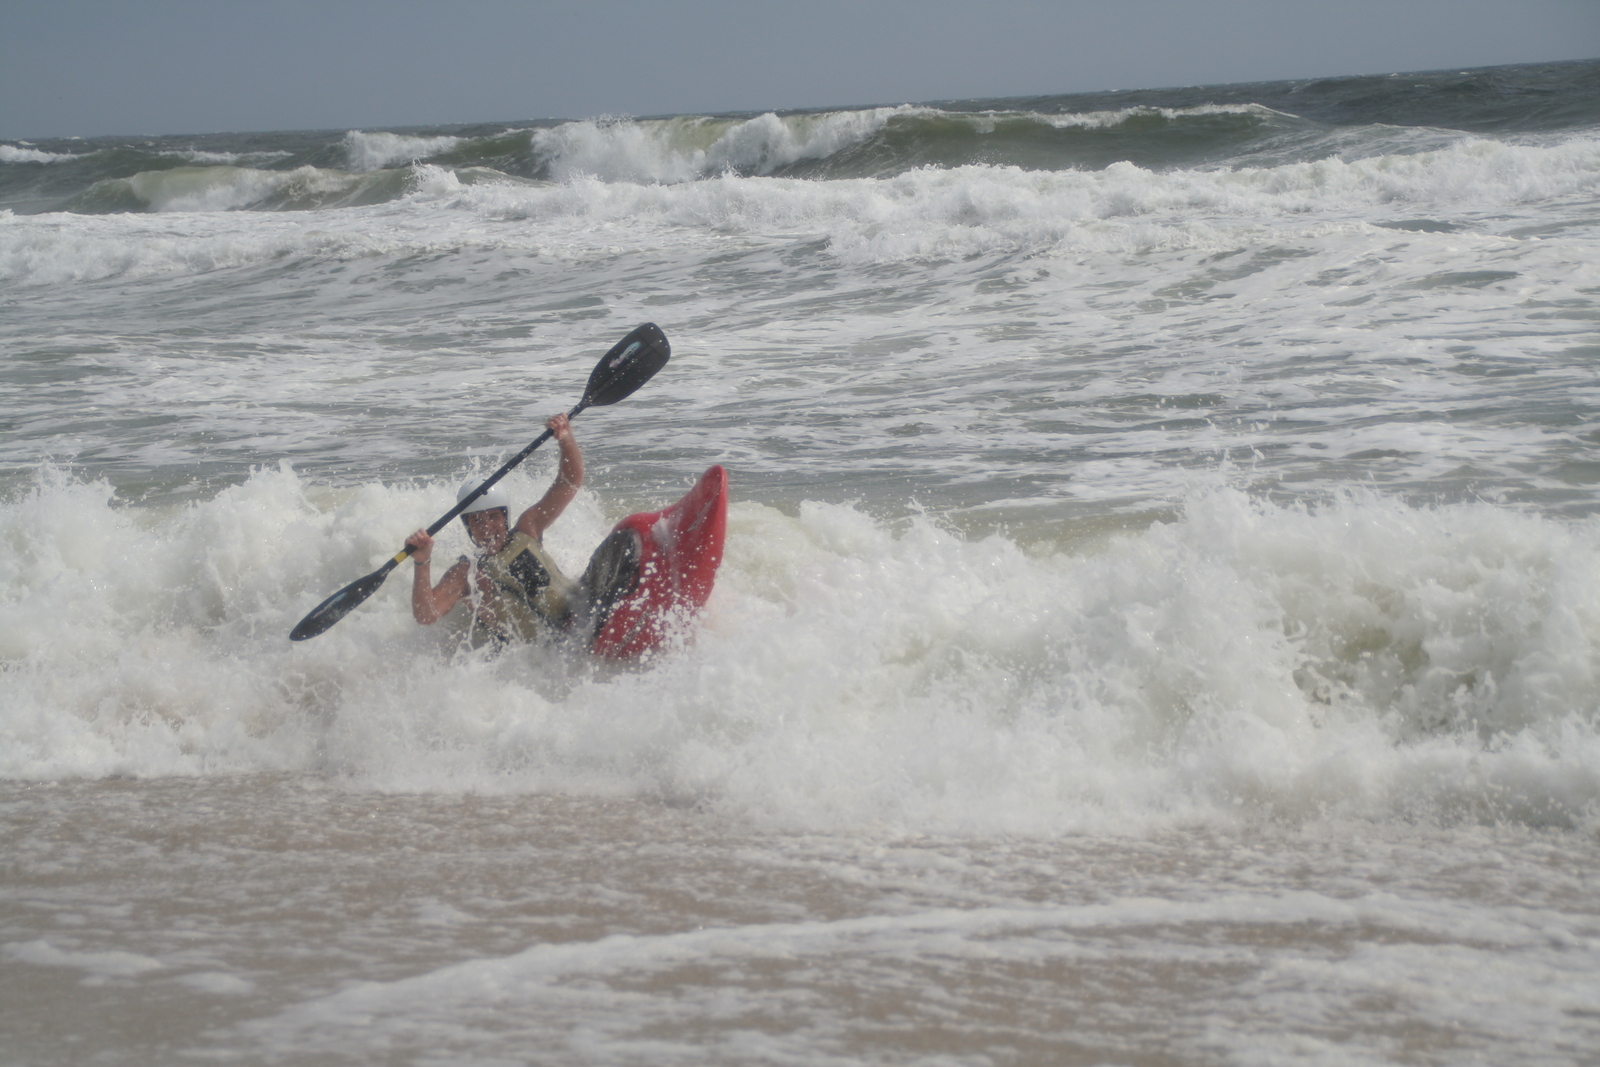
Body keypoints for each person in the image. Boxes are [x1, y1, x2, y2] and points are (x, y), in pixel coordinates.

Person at [405, 413, 585, 643]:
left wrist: (565, 438)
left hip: (580, 620)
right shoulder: (465, 574)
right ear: (468, 526)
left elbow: (570, 481)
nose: (487, 527)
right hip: (539, 654)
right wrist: (421, 562)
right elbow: (426, 615)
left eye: (493, 517)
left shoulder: (528, 528)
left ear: (505, 517)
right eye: (477, 521)